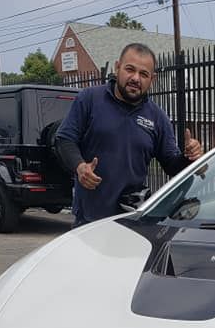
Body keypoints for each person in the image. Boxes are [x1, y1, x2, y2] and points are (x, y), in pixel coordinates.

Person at [55, 42, 204, 227]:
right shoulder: (90, 99)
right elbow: (64, 139)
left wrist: (190, 158)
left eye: (143, 74)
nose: (135, 78)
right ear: (118, 68)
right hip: (89, 222)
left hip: (133, 222)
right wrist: (80, 166)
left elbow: (172, 166)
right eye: (130, 69)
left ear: (152, 79)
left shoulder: (157, 117)